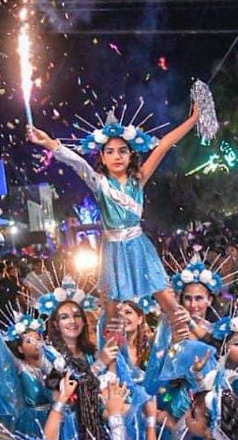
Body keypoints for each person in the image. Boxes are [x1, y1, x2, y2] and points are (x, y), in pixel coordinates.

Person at [27, 104, 198, 321]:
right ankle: (116, 354)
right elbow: (76, 162)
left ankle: (186, 347)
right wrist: (50, 144)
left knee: (170, 304)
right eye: (110, 151)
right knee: (112, 316)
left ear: (131, 154)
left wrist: (192, 120)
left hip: (139, 246)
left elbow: (163, 145)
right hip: (112, 251)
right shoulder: (99, 183)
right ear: (102, 157)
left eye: (122, 151)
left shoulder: (139, 179)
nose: (117, 156)